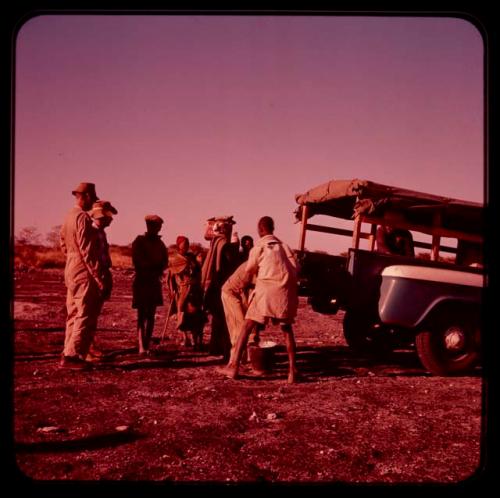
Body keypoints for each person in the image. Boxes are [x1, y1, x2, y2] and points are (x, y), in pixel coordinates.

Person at [217, 216, 300, 383]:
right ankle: (292, 371)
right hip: (284, 292)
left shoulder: (260, 247)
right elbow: (296, 268)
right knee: (286, 330)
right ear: (273, 228)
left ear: (260, 230)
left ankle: (233, 367)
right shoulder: (286, 247)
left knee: (246, 327)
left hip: (265, 292)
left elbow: (249, 268)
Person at [59, 182, 106, 369]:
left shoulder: (68, 217)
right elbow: (87, 251)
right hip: (82, 268)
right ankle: (72, 356)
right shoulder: (82, 218)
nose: (91, 203)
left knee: (73, 312)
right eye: (91, 199)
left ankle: (67, 351)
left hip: (70, 266)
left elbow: (62, 242)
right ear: (85, 196)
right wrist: (98, 277)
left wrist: (71, 259)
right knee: (84, 312)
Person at [201, 216, 239, 360]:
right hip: (221, 286)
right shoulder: (224, 243)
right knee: (224, 319)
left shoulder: (215, 242)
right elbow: (228, 264)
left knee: (217, 319)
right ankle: (225, 350)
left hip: (214, 285)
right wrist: (235, 248)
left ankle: (214, 348)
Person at [85, 200, 118, 361]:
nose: (111, 219)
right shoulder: (91, 231)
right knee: (88, 313)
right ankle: (85, 349)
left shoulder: (100, 232)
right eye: (109, 216)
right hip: (93, 277)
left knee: (94, 313)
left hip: (102, 273)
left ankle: (89, 346)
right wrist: (98, 278)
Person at [132, 215, 168, 355]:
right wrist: (153, 266)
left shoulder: (160, 244)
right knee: (142, 314)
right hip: (142, 281)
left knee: (151, 315)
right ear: (148, 226)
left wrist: (159, 268)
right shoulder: (139, 241)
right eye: (152, 225)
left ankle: (147, 344)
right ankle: (141, 346)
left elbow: (165, 261)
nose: (155, 228)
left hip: (154, 282)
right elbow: (137, 261)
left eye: (157, 226)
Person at [168, 236, 206, 350]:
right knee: (182, 313)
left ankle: (194, 338)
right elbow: (171, 277)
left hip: (194, 289)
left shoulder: (191, 257)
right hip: (182, 290)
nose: (186, 246)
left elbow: (198, 271)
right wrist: (172, 289)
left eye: (187, 243)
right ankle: (185, 338)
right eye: (184, 244)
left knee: (195, 313)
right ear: (178, 245)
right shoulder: (175, 259)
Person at [221, 261, 257, 364]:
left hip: (242, 292)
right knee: (238, 327)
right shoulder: (256, 263)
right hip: (230, 293)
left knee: (249, 325)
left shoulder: (262, 262)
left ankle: (246, 358)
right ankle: (233, 361)